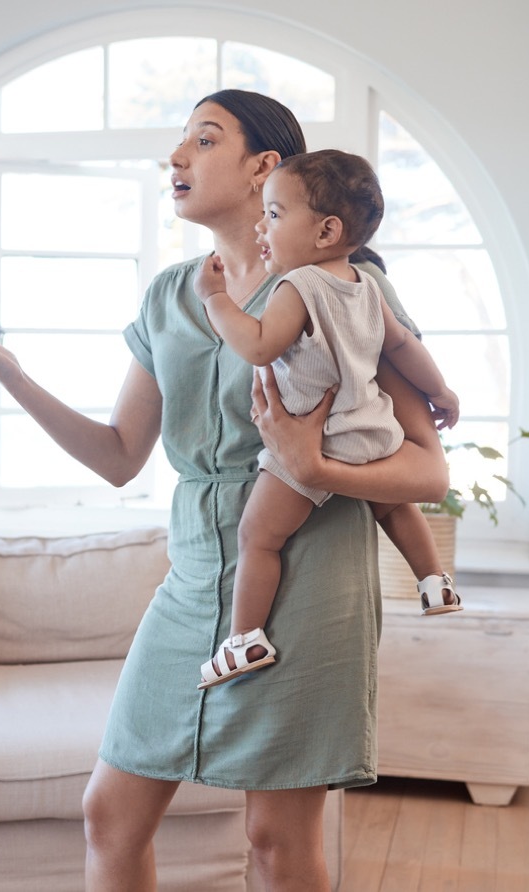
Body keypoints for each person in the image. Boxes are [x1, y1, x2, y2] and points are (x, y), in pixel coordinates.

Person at [0, 90, 448, 891]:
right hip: (194, 577)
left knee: (276, 835)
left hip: (311, 574)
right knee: (110, 810)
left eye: (203, 142)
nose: (176, 159)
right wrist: (12, 377)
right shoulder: (172, 295)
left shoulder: (346, 285)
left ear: (263, 170)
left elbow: (427, 469)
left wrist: (317, 472)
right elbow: (117, 455)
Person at [190, 149, 462, 689]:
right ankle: (434, 580)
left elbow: (260, 346)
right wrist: (442, 391)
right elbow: (403, 346)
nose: (260, 226)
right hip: (371, 430)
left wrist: (216, 299)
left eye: (273, 214)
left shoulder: (300, 287)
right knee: (394, 505)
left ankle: (245, 639)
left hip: (316, 444)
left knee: (258, 539)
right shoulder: (363, 284)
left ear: (325, 231)